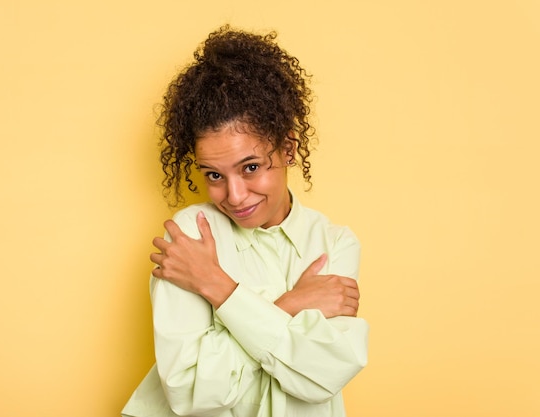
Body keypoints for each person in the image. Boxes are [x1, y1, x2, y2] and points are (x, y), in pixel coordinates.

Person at [122, 25, 368, 417]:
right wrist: (290, 305)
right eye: (214, 175)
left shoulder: (334, 244)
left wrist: (215, 285)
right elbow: (191, 393)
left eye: (250, 167)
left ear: (287, 149)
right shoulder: (190, 238)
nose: (234, 196)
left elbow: (323, 378)